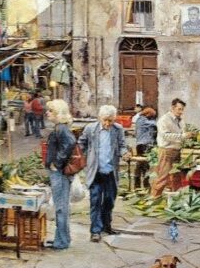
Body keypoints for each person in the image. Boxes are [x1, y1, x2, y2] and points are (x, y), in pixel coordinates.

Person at [79, 105, 131, 242]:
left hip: (110, 172)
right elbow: (81, 144)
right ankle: (95, 230)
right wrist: (84, 158)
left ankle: (106, 225)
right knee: (95, 201)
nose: (107, 124)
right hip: (95, 172)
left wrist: (125, 153)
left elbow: (122, 145)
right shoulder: (90, 129)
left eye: (110, 120)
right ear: (99, 118)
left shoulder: (118, 129)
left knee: (109, 201)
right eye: (105, 120)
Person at [43, 99, 77, 250]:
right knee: (61, 206)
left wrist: (57, 163)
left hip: (60, 173)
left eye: (50, 111)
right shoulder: (59, 128)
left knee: (61, 207)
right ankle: (62, 238)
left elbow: (70, 143)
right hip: (60, 172)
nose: (47, 113)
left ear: (58, 113)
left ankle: (61, 241)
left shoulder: (61, 129)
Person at [150, 98, 194, 198]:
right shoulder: (164, 120)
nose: (181, 112)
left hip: (177, 150)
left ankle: (176, 199)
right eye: (179, 109)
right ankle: (154, 197)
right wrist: (183, 136)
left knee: (176, 176)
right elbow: (166, 135)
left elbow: (181, 134)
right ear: (172, 108)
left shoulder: (181, 121)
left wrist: (188, 137)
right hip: (166, 151)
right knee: (163, 176)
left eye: (182, 109)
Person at [133, 106, 157, 189]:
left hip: (143, 144)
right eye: (152, 116)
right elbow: (154, 124)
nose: (152, 118)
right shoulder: (141, 120)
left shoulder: (142, 120)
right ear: (147, 114)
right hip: (143, 144)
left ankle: (142, 183)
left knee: (144, 165)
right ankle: (141, 183)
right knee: (142, 164)